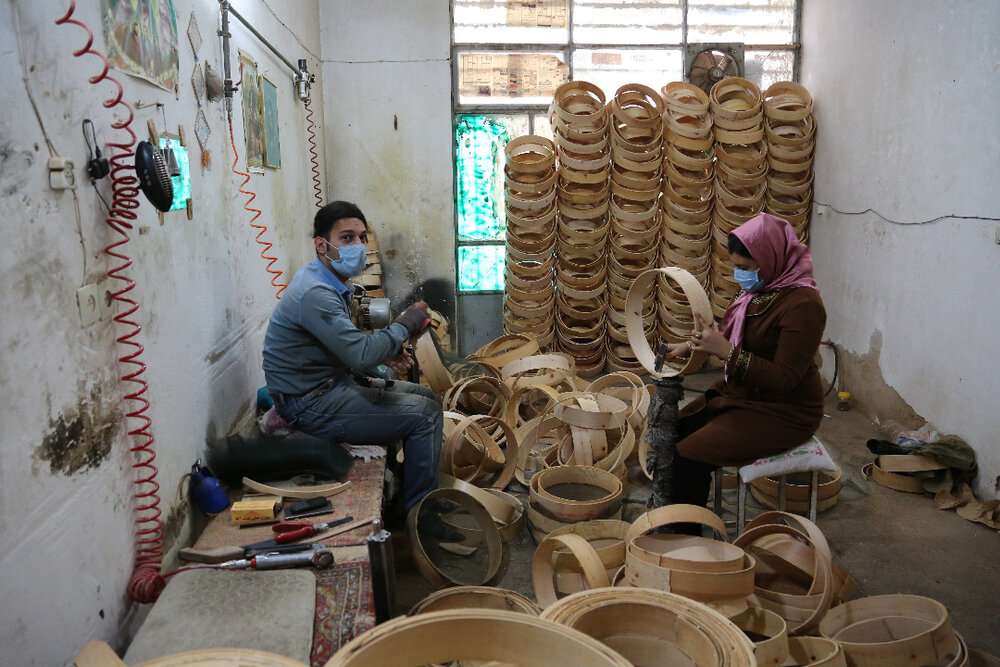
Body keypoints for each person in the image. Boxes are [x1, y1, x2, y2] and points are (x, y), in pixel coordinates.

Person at [262, 201, 444, 520]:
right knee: (425, 415)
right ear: (322, 245)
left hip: (328, 386)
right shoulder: (316, 292)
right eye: (347, 238)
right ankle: (418, 518)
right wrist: (407, 323)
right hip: (309, 404)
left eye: (362, 237)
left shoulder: (331, 283)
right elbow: (357, 352)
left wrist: (382, 355)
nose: (358, 246)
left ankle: (406, 489)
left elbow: (342, 350)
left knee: (425, 396)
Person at [662, 212, 827, 518]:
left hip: (784, 410)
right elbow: (729, 330)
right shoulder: (758, 289)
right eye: (736, 267)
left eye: (745, 268)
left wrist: (726, 353)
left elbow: (784, 379)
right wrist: (687, 346)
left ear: (771, 258)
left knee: (687, 455)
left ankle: (684, 536)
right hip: (743, 395)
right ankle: (676, 511)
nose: (740, 275)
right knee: (674, 431)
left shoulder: (803, 305)